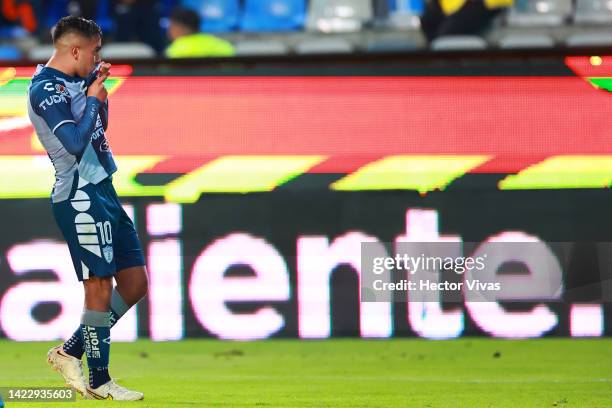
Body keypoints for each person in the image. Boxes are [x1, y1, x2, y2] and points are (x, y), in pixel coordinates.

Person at [26, 16, 148, 401]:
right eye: (94, 51)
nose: (99, 57)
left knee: (134, 284)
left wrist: (99, 93)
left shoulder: (78, 81)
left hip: (104, 188)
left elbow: (97, 131)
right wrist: (94, 99)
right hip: (79, 194)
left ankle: (69, 351)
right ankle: (99, 378)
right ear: (74, 50)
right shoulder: (45, 89)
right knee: (98, 286)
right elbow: (76, 143)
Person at [420, 0, 513, 42]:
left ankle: (451, 71)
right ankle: (437, 66)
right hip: (451, 5)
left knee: (446, 34)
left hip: (482, 3)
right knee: (427, 22)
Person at [165, 7, 234, 58]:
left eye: (172, 27)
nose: (169, 31)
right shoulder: (225, 47)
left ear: (185, 28)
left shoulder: (175, 50)